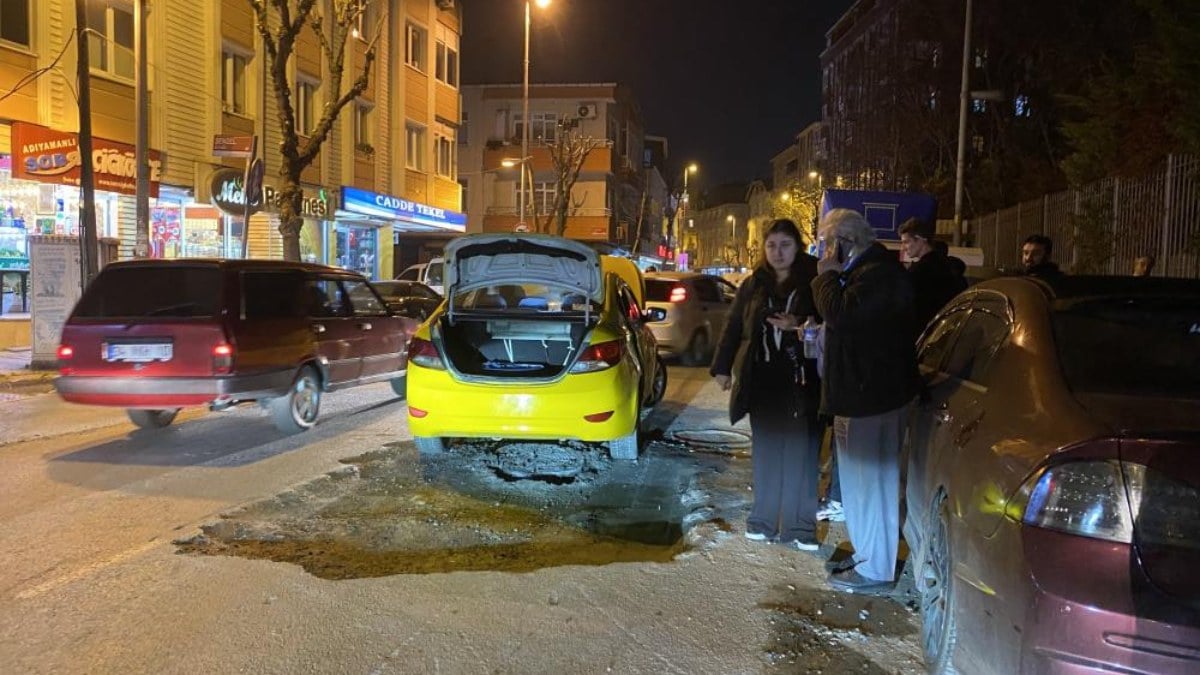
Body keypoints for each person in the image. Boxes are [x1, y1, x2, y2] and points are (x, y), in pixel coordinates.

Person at [811, 208, 919, 593]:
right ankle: (867, 556)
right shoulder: (864, 273)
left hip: (871, 398)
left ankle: (875, 570)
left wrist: (825, 276)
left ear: (844, 242)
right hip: (857, 397)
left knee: (872, 487)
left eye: (827, 242)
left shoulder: (879, 275)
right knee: (860, 487)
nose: (824, 250)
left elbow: (841, 314)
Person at [710, 219, 823, 551]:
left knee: (801, 453)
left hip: (803, 378)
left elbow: (830, 322)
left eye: (785, 245)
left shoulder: (815, 282)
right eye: (771, 245)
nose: (777, 252)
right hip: (763, 378)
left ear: (798, 247)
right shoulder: (753, 284)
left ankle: (800, 527)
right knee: (767, 451)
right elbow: (733, 326)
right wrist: (722, 367)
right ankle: (762, 520)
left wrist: (798, 323)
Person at [899, 218, 967, 331]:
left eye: (906, 242)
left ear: (921, 240)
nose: (903, 248)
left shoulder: (921, 272)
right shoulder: (946, 266)